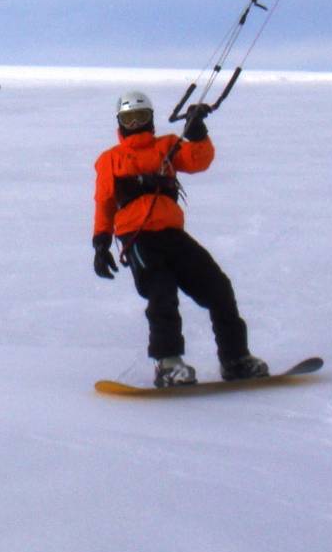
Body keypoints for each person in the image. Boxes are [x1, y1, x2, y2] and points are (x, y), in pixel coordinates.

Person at [91, 90, 267, 388]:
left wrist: (197, 132)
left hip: (173, 236)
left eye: (141, 117)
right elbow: (104, 203)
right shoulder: (110, 160)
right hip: (138, 239)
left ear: (150, 119)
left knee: (218, 287)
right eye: (129, 119)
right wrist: (101, 242)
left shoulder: (168, 146)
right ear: (119, 122)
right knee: (162, 293)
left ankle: (236, 359)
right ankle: (168, 363)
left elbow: (198, 160)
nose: (135, 124)